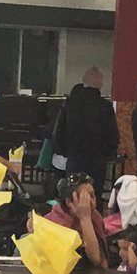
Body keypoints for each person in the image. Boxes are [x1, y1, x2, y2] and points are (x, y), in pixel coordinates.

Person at [52, 66, 118, 200]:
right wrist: (108, 154)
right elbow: (112, 135)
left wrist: (66, 151)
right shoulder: (105, 106)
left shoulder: (70, 103)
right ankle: (93, 220)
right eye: (101, 80)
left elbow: (58, 132)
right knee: (95, 195)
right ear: (95, 83)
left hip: (75, 157)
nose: (103, 83)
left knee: (73, 194)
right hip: (97, 159)